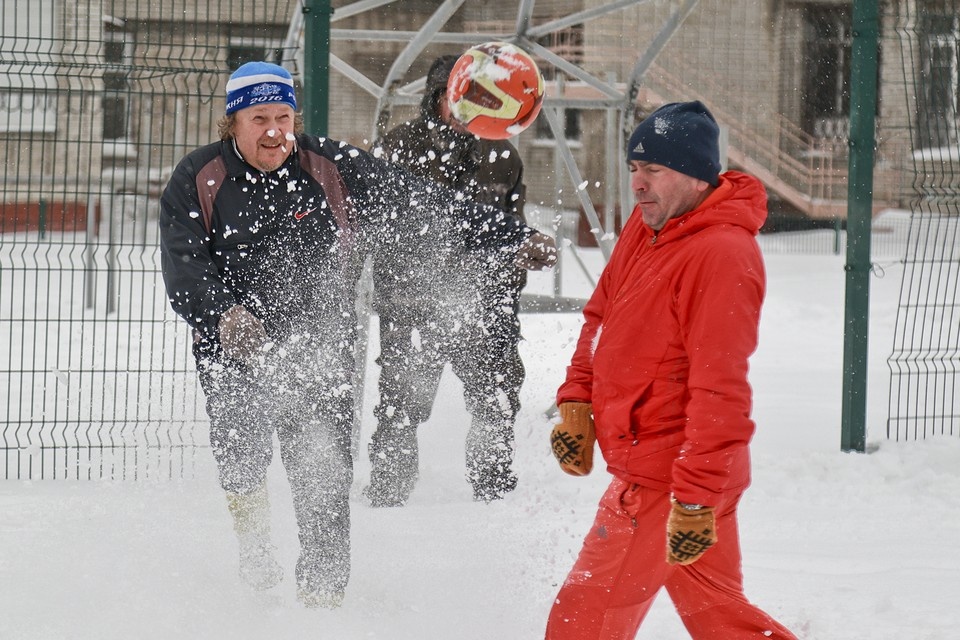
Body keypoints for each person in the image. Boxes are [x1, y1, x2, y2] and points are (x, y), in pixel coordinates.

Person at [158, 61, 556, 609]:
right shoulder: (198, 177)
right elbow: (185, 267)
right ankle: (255, 551)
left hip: (320, 351)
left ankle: (323, 599)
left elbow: (422, 204)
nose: (274, 131)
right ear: (233, 123)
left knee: (323, 475)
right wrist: (224, 314)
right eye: (259, 119)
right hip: (235, 351)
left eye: (283, 117)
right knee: (242, 459)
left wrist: (508, 236)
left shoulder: (329, 165)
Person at [545, 101, 797, 639]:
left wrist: (695, 496)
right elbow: (601, 316)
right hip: (679, 471)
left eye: (654, 170)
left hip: (671, 477)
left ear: (697, 174)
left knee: (581, 619)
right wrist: (577, 400)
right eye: (634, 168)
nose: (638, 183)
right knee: (721, 620)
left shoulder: (722, 254)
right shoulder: (649, 226)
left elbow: (720, 386)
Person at [365, 55, 529, 506]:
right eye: (455, 97)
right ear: (436, 97)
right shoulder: (397, 149)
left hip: (484, 301)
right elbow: (373, 229)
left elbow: (512, 229)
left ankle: (493, 488)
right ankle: (388, 490)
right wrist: (399, 291)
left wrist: (507, 284)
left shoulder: (502, 156)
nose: (464, 108)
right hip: (410, 302)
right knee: (401, 399)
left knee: (496, 394)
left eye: (479, 98)